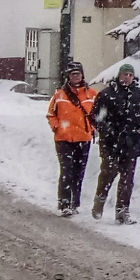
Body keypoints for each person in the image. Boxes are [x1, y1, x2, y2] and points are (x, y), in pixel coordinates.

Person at [90, 62, 140, 224]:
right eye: (125, 74)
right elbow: (95, 116)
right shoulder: (106, 94)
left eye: (131, 75)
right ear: (119, 75)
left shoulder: (139, 94)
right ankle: (100, 199)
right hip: (111, 143)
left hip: (131, 143)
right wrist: (107, 129)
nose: (128, 77)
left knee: (127, 178)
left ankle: (122, 211)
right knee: (108, 173)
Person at [46, 61, 99, 217]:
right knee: (67, 171)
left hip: (83, 138)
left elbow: (99, 116)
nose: (76, 76)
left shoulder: (92, 95)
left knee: (78, 173)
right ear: (68, 76)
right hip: (64, 139)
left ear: (82, 75)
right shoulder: (59, 95)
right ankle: (64, 203)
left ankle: (74, 203)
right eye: (72, 74)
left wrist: (93, 129)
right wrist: (57, 127)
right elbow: (51, 115)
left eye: (78, 73)